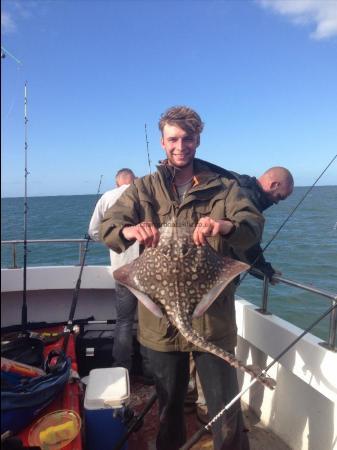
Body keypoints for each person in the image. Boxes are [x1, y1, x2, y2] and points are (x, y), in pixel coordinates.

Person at [100, 106, 265, 450]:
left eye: (187, 138)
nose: (180, 145)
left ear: (197, 140)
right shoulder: (143, 189)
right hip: (160, 327)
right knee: (168, 409)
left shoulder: (224, 188)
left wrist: (225, 226)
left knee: (226, 410)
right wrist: (130, 229)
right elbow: (108, 227)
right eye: (173, 138)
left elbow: (252, 226)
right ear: (162, 142)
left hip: (213, 318)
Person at [186, 162, 294, 424]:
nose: (277, 203)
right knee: (212, 342)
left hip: (194, 277)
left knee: (193, 337)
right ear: (274, 185)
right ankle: (205, 406)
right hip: (212, 284)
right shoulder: (246, 197)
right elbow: (247, 244)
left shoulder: (234, 182)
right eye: (279, 197)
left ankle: (189, 395)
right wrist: (266, 270)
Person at [88, 168, 139, 372]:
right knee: (151, 323)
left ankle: (121, 367)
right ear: (134, 180)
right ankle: (152, 371)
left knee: (124, 320)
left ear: (117, 182)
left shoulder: (107, 197)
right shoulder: (144, 193)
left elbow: (93, 232)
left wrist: (112, 240)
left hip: (122, 269)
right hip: (149, 269)